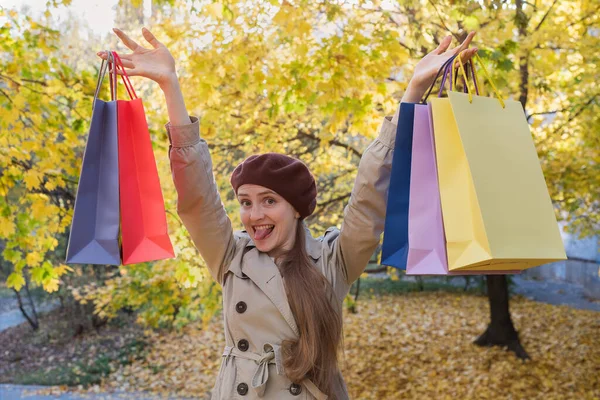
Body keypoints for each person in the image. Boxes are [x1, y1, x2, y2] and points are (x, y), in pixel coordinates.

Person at [98, 27, 478, 400]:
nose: (253, 214)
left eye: (269, 200)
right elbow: (197, 199)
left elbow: (368, 200)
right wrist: (170, 86)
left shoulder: (332, 261)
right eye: (245, 202)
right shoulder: (231, 259)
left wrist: (413, 91)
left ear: (296, 209)